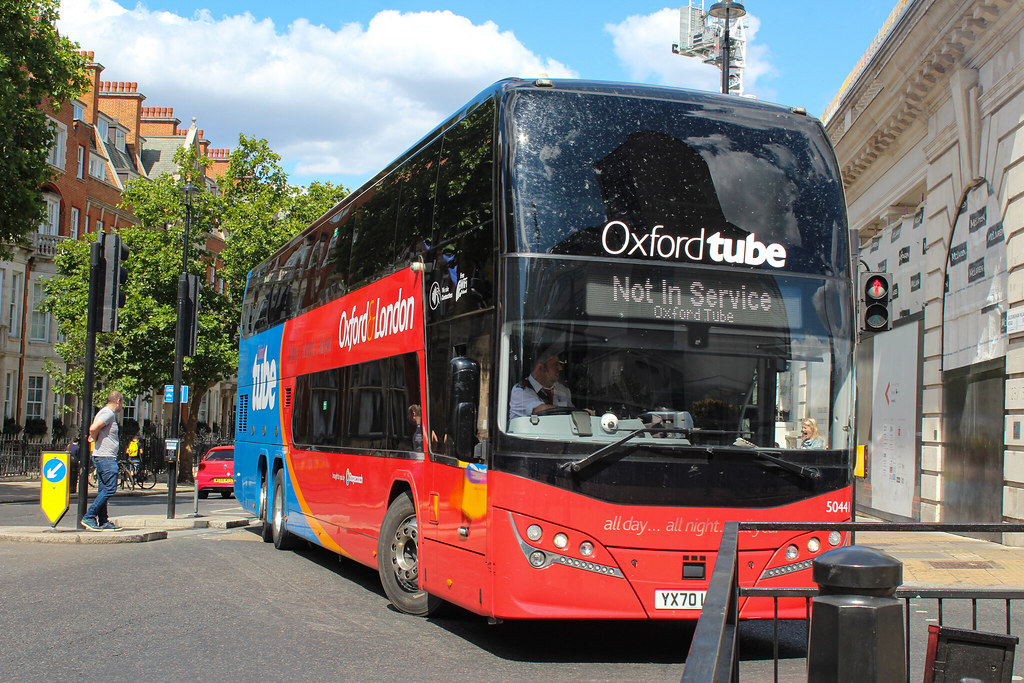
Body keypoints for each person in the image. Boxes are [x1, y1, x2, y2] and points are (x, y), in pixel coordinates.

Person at [81, 391, 125, 532]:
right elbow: (93, 428)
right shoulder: (108, 413)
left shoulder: (104, 412)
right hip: (106, 457)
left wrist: (95, 437)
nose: (122, 406)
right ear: (118, 401)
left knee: (103, 489)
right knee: (110, 488)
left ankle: (103, 520)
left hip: (103, 456)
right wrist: (94, 437)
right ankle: (89, 516)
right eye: (122, 402)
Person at [509, 347, 576, 419]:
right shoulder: (520, 391)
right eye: (555, 365)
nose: (560, 368)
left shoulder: (563, 389)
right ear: (541, 368)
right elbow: (541, 411)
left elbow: (572, 415)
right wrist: (568, 411)